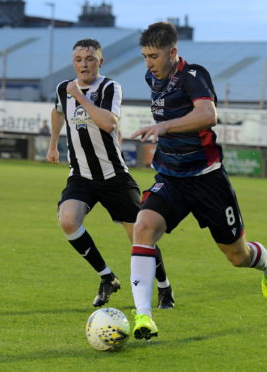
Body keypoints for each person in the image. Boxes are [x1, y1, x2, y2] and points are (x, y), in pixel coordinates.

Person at [129, 22, 267, 340]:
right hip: (171, 177)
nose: (148, 63)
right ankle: (144, 318)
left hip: (208, 179)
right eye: (144, 56)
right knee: (143, 228)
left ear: (172, 52)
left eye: (153, 56)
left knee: (237, 256)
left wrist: (164, 127)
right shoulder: (151, 78)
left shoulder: (193, 75)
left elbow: (208, 114)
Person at [46, 38, 175, 309]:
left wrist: (79, 97)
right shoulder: (62, 89)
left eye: (90, 59)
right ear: (73, 62)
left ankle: (164, 286)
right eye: (79, 59)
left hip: (114, 176)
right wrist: (53, 145)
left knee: (142, 236)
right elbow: (57, 112)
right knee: (68, 221)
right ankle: (107, 278)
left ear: (100, 62)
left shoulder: (109, 87)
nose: (84, 64)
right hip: (81, 175)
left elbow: (108, 123)